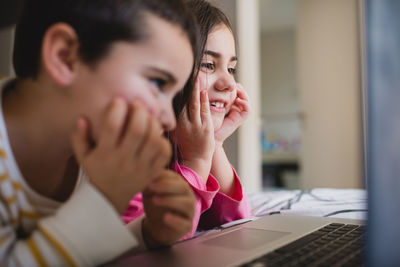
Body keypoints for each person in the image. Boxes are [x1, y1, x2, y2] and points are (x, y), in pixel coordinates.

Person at [0, 0, 200, 265]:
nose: (169, 121)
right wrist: (105, 199)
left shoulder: (91, 143)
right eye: (157, 82)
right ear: (64, 56)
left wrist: (148, 234)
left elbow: (68, 251)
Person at [123, 0, 251, 238]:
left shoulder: (186, 142)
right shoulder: (133, 151)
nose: (229, 84)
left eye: (231, 69)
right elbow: (165, 238)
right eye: (208, 65)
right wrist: (197, 160)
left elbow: (235, 223)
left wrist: (215, 143)